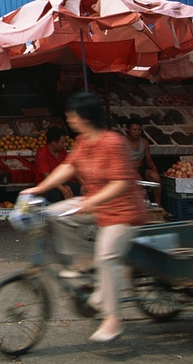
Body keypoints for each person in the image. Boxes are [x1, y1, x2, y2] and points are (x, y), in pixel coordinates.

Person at [20, 92, 147, 345]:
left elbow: (122, 183)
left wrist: (91, 202)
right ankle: (82, 260)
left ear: (84, 117)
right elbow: (69, 167)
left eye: (72, 115)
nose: (69, 120)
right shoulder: (83, 141)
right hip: (95, 204)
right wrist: (38, 189)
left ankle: (112, 319)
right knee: (54, 214)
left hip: (122, 212)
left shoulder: (113, 142)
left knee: (108, 254)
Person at [33, 126, 76, 203]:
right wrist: (62, 189)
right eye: (62, 142)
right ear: (54, 142)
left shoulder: (62, 152)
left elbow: (69, 167)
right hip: (46, 186)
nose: (64, 144)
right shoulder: (42, 154)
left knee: (81, 189)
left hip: (61, 183)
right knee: (58, 195)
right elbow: (46, 176)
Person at [124, 119, 161, 206]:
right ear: (128, 130)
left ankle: (158, 205)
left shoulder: (144, 142)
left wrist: (154, 169)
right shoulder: (122, 142)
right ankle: (141, 206)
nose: (137, 132)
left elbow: (148, 159)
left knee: (156, 177)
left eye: (139, 130)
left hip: (141, 167)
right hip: (127, 169)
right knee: (138, 180)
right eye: (134, 130)